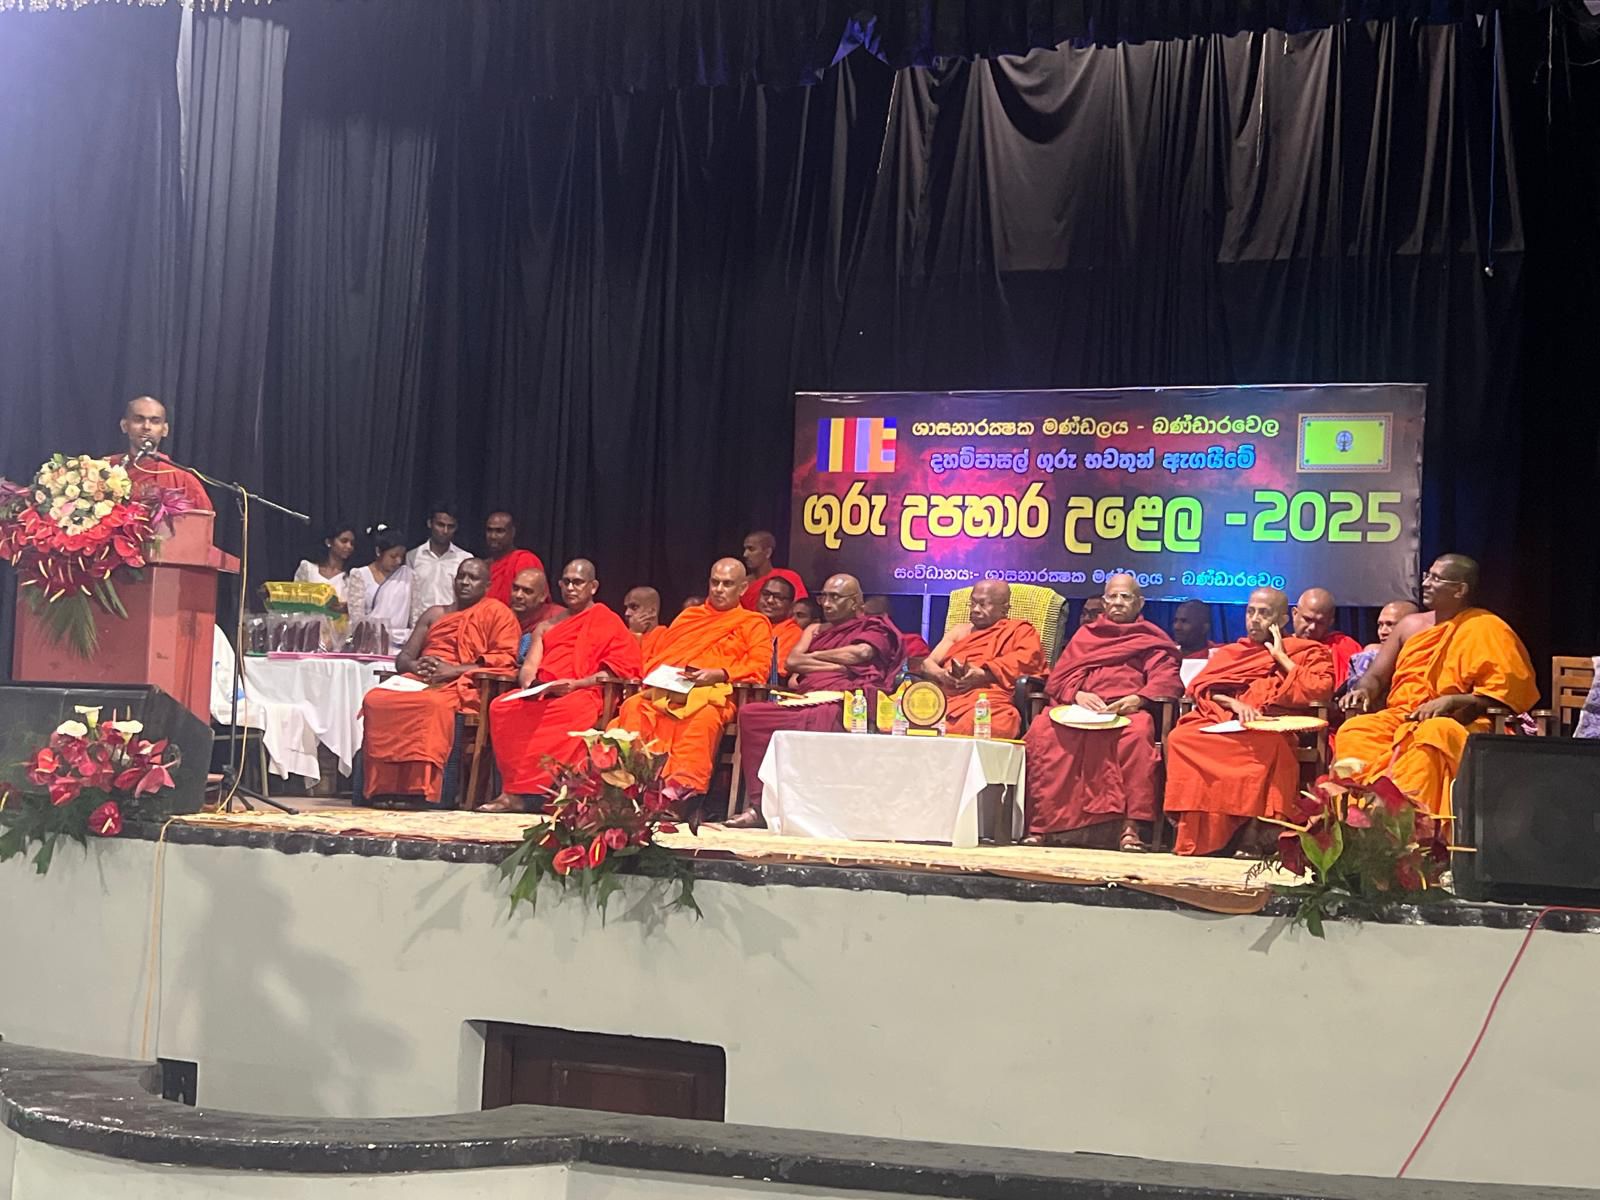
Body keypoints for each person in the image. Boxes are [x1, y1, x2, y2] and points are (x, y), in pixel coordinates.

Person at [1338, 555, 1537, 819]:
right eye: (1427, 576)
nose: (1426, 584)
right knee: (1355, 729)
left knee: (1433, 733)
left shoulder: (1487, 628)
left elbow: (1504, 697)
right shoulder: (1410, 625)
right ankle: (1356, 820)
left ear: (1460, 589)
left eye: (1436, 578)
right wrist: (1364, 690)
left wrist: (1454, 701)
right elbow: (1375, 676)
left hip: (1463, 722)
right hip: (1404, 716)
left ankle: (1408, 824)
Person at [1163, 588, 1336, 856]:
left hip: (1272, 723)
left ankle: (1254, 831)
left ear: (1282, 620)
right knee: (1181, 738)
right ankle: (1209, 833)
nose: (1254, 619)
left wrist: (1281, 657)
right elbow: (1205, 688)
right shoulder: (1233, 652)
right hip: (1229, 719)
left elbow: (1319, 690)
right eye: (1250, 612)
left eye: (1264, 613)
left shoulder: (1307, 651)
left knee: (1270, 745)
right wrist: (1235, 704)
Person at [1023, 574, 1182, 851]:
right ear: (1104, 601)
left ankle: (1130, 828)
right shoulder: (1087, 635)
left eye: (1125, 597)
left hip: (1126, 709)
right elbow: (1060, 678)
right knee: (1043, 729)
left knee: (1138, 731)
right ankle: (1042, 825)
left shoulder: (1150, 638)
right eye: (1112, 597)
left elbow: (1166, 677)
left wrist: (1138, 698)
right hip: (1080, 707)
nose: (1118, 602)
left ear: (1140, 602)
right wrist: (1077, 695)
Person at [730, 574, 901, 827]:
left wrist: (816, 657)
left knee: (827, 715)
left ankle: (819, 807)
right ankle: (760, 806)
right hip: (808, 697)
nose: (827, 604)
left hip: (845, 699)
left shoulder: (874, 627)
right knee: (752, 714)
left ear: (855, 601)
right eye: (824, 597)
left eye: (835, 597)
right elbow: (793, 661)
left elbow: (860, 653)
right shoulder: (814, 629)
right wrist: (838, 665)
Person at [481, 560, 642, 813]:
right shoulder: (547, 626)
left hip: (583, 692)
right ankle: (512, 793)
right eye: (566, 582)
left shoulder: (606, 621)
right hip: (545, 692)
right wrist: (532, 686)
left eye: (577, 582)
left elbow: (617, 670)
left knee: (572, 710)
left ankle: (564, 796)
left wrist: (576, 684)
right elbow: (529, 668)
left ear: (593, 587)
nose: (570, 588)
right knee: (501, 707)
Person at [359, 559, 520, 806]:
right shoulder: (435, 614)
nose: (465, 582)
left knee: (432, 705)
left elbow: (504, 661)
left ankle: (422, 790)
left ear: (487, 585)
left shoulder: (498, 614)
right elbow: (403, 659)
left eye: (473, 578)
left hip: (461, 683)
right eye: (461, 576)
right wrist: (417, 666)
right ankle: (383, 788)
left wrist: (451, 670)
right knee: (375, 699)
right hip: (421, 679)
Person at [608, 560, 771, 800]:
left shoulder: (753, 623)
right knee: (634, 706)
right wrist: (667, 676)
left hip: (713, 695)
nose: (719, 589)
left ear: (743, 588)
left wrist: (720, 673)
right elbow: (661, 656)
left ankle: (678, 793)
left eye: (727, 584)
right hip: (671, 690)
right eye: (715, 582)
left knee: (703, 718)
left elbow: (759, 666)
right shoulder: (690, 617)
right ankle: (630, 785)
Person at [916, 580, 1043, 737]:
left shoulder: (1021, 632)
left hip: (987, 699)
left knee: (1001, 722)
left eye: (983, 604)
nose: (975, 610)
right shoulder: (959, 631)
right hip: (947, 698)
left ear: (1004, 608)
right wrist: (941, 675)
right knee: (907, 711)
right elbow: (927, 663)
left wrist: (984, 675)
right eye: (973, 603)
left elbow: (1027, 662)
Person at [109, 395, 212, 511]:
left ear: (165, 430)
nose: (146, 427)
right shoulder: (104, 468)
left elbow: (203, 519)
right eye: (139, 420)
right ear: (124, 426)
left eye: (155, 421)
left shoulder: (183, 479)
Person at [346, 526, 415, 651]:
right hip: (369, 644)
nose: (398, 561)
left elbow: (415, 616)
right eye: (393, 556)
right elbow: (357, 618)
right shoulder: (360, 575)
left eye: (401, 556)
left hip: (401, 645)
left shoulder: (409, 576)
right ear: (378, 551)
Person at [407, 505, 472, 622]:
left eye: (450, 526)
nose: (445, 531)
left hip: (452, 623)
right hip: (419, 623)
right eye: (440, 525)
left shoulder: (465, 558)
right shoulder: (413, 556)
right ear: (430, 523)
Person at [1292, 587, 1363, 691]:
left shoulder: (1346, 646)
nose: (1312, 627)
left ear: (1330, 623)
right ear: (1294, 614)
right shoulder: (1280, 647)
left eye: (1320, 622)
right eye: (1307, 619)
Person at [1347, 600, 1420, 687]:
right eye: (1380, 625)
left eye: (1390, 624)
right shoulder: (1370, 658)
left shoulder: (1426, 654)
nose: (1382, 631)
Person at [483, 511, 545, 607]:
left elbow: (533, 600)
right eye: (489, 530)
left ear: (512, 532)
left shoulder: (525, 560)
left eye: (499, 531)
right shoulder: (483, 565)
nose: (493, 536)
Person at [755, 575, 805, 687]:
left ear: (791, 605)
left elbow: (776, 671)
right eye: (766, 594)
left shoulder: (793, 632)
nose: (770, 600)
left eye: (778, 597)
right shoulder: (746, 623)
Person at [739, 530, 809, 610]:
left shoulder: (789, 577)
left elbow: (800, 608)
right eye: (745, 549)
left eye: (751, 549)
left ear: (768, 552)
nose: (745, 554)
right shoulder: (742, 583)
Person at [294, 522, 355, 606]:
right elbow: (296, 599)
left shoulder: (350, 576)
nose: (349, 546)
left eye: (352, 543)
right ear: (329, 542)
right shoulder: (308, 568)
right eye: (344, 541)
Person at [508, 567, 561, 662]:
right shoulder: (501, 616)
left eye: (527, 591)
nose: (518, 595)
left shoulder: (558, 617)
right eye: (515, 588)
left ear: (543, 596)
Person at [865, 595, 930, 672]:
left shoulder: (913, 643)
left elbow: (922, 674)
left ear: (887, 619)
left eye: (877, 619)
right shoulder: (858, 648)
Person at [1171, 599, 1220, 687]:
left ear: (1205, 628)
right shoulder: (1166, 654)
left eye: (1184, 622)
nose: (1177, 627)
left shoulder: (1220, 657)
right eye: (1175, 621)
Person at [624, 586, 666, 661]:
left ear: (652, 612)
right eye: (626, 608)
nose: (627, 613)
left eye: (634, 607)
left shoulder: (666, 638)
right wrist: (634, 633)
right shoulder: (621, 637)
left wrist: (636, 634)